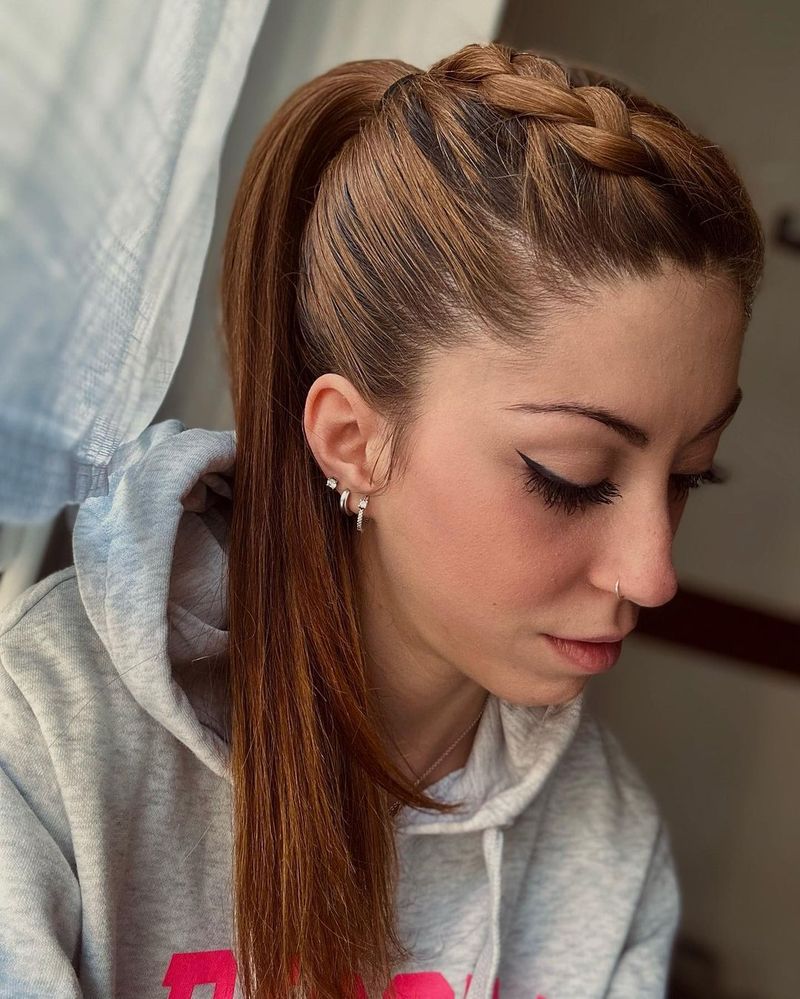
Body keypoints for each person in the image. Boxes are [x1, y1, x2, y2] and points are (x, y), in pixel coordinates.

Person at [0, 40, 764, 999]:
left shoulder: (605, 847)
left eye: (692, 475)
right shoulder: (42, 741)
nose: (653, 573)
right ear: (353, 441)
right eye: (571, 478)